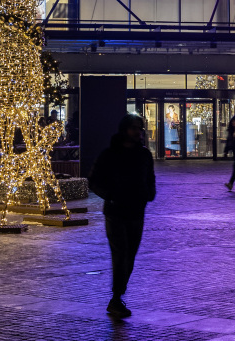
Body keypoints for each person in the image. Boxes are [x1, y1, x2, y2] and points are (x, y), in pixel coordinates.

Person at [89, 114, 156, 319]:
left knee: (130, 256)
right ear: (124, 130)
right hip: (116, 212)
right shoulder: (110, 154)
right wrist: (110, 196)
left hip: (136, 211)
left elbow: (150, 177)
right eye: (134, 128)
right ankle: (116, 297)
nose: (138, 132)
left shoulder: (144, 155)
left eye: (140, 129)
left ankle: (118, 295)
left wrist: (149, 193)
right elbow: (94, 181)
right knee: (121, 255)